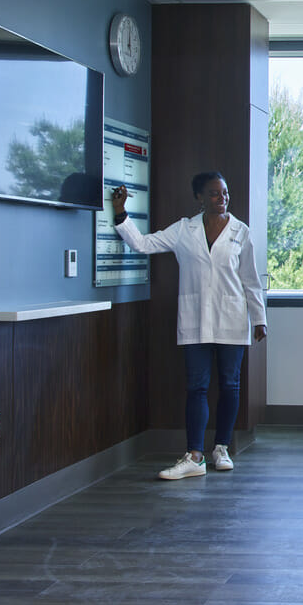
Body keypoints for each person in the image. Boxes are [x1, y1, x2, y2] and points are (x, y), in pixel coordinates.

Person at [111, 172, 268, 480]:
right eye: (214, 193)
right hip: (195, 320)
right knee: (196, 386)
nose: (222, 198)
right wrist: (120, 214)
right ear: (199, 198)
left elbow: (251, 279)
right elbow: (144, 244)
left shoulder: (240, 231)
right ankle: (194, 456)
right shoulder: (184, 230)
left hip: (232, 320)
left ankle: (220, 448)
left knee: (230, 385)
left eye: (224, 192)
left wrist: (259, 318)